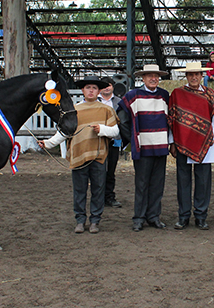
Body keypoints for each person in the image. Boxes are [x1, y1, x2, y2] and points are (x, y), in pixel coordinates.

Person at [39, 76, 119, 234]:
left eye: (94, 88)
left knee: (98, 189)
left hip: (98, 155)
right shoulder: (74, 110)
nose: (91, 90)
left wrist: (102, 130)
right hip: (78, 154)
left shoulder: (106, 110)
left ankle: (95, 220)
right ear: (83, 90)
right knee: (79, 190)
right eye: (88, 87)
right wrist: (48, 143)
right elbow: (64, 131)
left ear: (99, 91)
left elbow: (116, 131)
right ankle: (80, 220)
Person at [168, 62, 214, 231]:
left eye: (197, 74)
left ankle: (201, 216)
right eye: (190, 74)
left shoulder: (209, 94)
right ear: (186, 76)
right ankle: (183, 216)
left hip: (205, 145)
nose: (194, 77)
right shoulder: (177, 94)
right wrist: (172, 142)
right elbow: (172, 120)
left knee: (203, 181)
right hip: (182, 143)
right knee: (183, 181)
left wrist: (211, 136)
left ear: (202, 76)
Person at [117, 64, 171, 232]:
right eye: (149, 76)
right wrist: (132, 140)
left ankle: (154, 216)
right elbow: (122, 120)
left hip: (161, 146)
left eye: (156, 75)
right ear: (143, 78)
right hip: (143, 147)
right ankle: (139, 217)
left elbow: (171, 118)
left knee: (157, 184)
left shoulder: (164, 95)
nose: (153, 78)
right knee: (141, 184)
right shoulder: (133, 96)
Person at [98, 76, 123, 208]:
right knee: (98, 170)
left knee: (111, 170)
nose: (106, 87)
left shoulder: (119, 102)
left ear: (113, 86)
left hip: (114, 141)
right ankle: (98, 197)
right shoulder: (94, 102)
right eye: (103, 85)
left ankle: (109, 196)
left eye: (109, 85)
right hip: (97, 141)